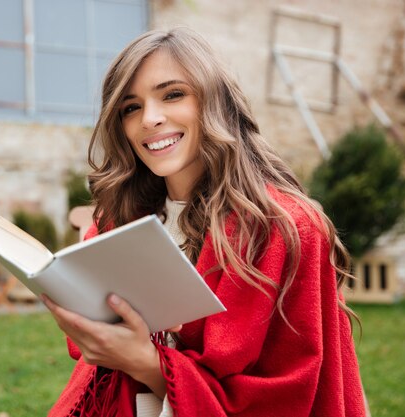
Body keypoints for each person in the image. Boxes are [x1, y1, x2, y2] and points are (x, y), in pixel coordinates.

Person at [43, 27, 367, 417]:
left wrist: (147, 362)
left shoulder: (286, 227)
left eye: (173, 94)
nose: (150, 119)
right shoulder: (117, 221)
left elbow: (287, 395)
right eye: (131, 107)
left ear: (215, 102)